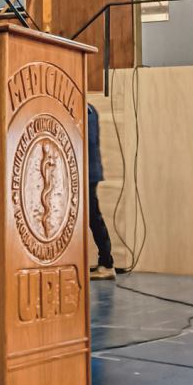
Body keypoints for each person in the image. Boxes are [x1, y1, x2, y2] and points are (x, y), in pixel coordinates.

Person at [87, 102, 116, 280]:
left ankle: (106, 263)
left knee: (93, 217)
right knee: (93, 217)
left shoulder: (83, 110)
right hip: (90, 170)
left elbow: (88, 141)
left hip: (86, 171)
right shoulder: (90, 108)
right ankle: (105, 261)